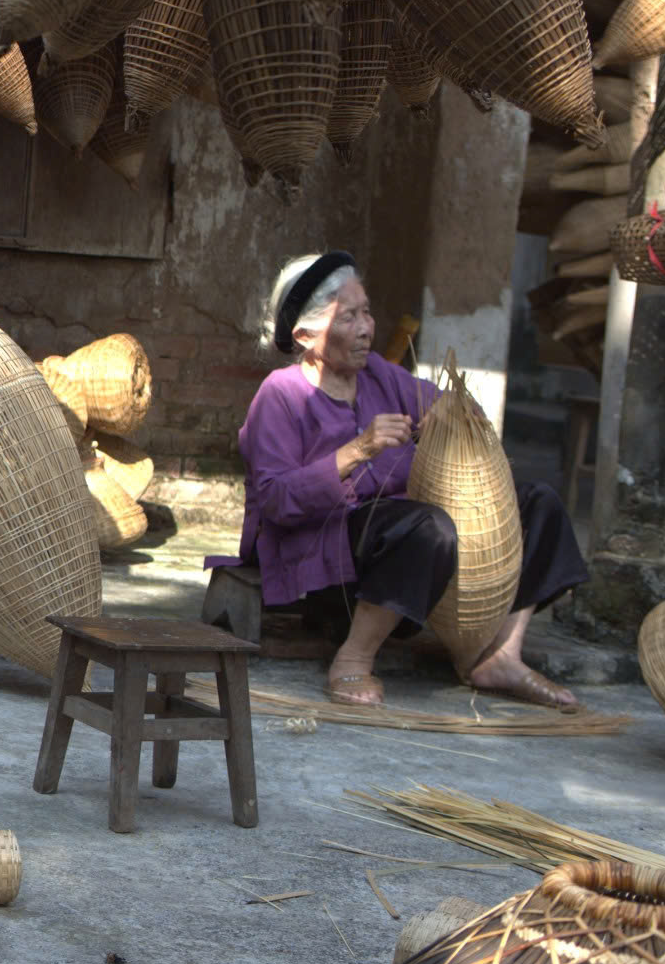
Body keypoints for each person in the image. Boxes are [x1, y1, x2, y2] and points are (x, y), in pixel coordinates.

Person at [236, 250, 586, 711]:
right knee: (427, 526)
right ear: (304, 334)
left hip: (410, 546)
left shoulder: (380, 374)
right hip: (326, 564)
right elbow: (277, 500)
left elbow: (442, 406)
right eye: (348, 318)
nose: (365, 328)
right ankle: (353, 658)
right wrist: (359, 449)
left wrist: (455, 415)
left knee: (537, 503)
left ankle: (500, 654)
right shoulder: (281, 394)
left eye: (366, 313)